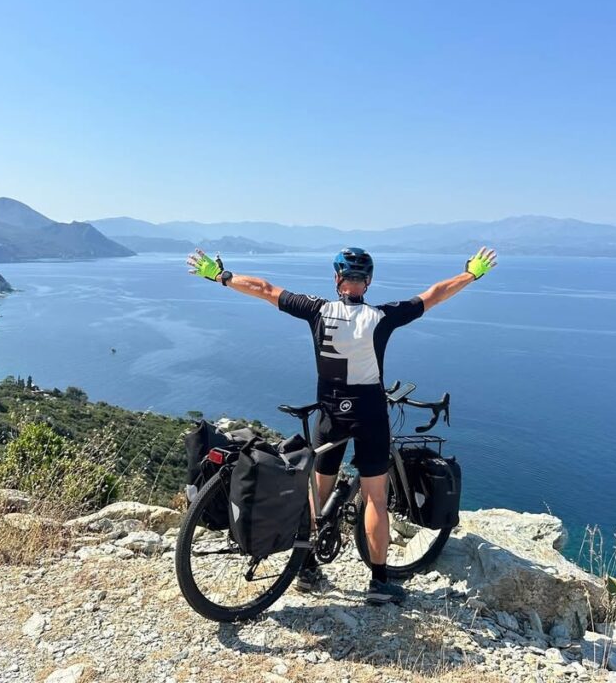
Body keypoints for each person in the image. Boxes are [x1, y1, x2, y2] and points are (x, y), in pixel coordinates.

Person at [186, 246, 498, 604]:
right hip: (369, 415)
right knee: (375, 498)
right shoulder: (382, 317)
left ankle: (306, 568)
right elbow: (435, 294)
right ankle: (379, 582)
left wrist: (221, 276)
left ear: (337, 279)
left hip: (331, 414)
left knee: (319, 495)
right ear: (368, 281)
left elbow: (264, 289)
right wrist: (471, 273)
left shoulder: (317, 310)